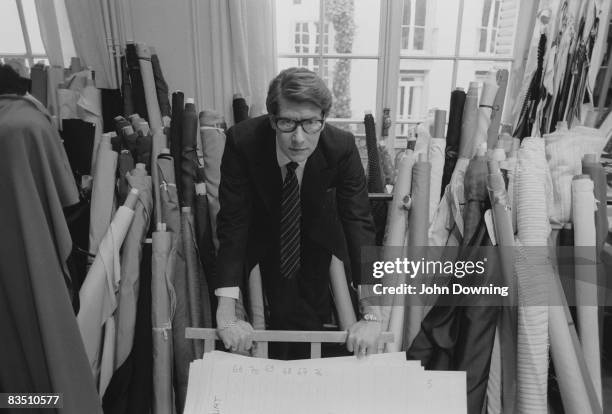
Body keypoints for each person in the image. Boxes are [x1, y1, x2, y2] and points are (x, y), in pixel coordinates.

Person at [215, 67, 382, 357]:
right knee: (266, 331)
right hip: (262, 238)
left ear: (323, 119)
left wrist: (372, 313)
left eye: (310, 124)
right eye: (288, 123)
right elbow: (233, 222)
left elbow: (359, 222)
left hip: (321, 239)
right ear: (271, 120)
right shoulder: (242, 142)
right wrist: (226, 311)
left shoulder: (341, 146)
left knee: (321, 331)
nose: (299, 138)